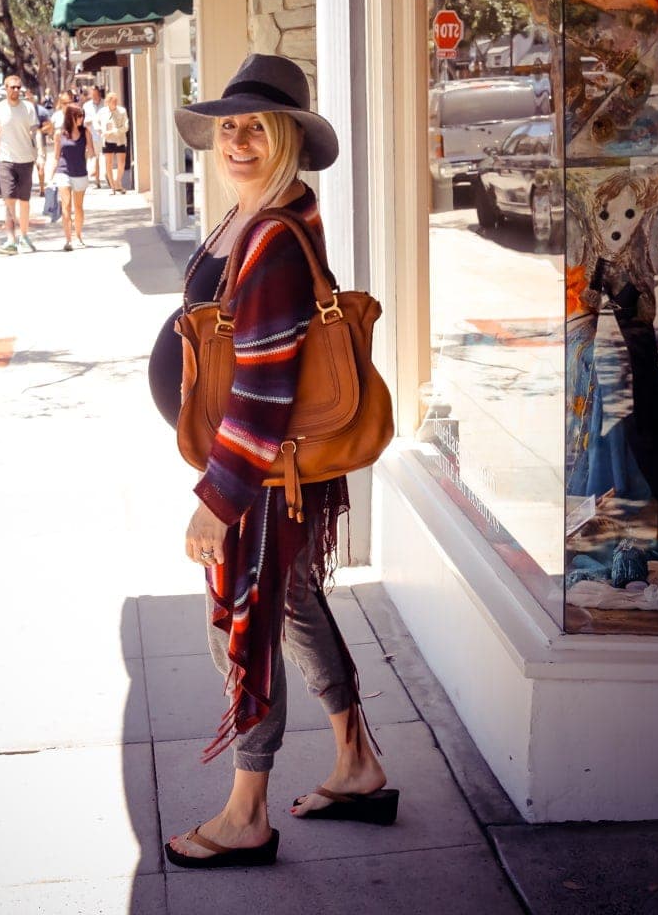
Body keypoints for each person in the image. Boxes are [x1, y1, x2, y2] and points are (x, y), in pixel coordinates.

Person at [152, 54, 396, 871]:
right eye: (229, 127)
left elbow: (262, 387)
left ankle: (246, 813)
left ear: (289, 137)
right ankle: (357, 764)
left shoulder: (274, 237)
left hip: (257, 475)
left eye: (258, 126)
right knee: (290, 603)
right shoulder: (254, 214)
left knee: (248, 626)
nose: (240, 140)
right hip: (267, 471)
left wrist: (216, 502)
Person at [0, 75, 38, 255]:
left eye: (18, 87)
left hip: (26, 160)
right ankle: (11, 240)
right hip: (5, 161)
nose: (15, 90)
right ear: (5, 88)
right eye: (12, 87)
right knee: (9, 201)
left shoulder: (28, 108)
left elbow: (35, 133)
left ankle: (24, 236)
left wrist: (41, 156)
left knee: (24, 202)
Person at [51, 102, 95, 251]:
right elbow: (56, 156)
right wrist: (51, 175)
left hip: (80, 172)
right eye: (79, 116)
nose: (81, 119)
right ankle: (68, 240)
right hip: (63, 172)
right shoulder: (60, 134)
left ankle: (79, 236)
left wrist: (93, 165)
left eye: (82, 116)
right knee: (66, 205)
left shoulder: (86, 132)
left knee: (78, 207)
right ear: (71, 117)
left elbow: (91, 152)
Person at [25, 88, 54, 197]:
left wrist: (40, 131)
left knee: (40, 165)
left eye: (30, 98)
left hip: (39, 140)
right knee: (27, 166)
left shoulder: (42, 111)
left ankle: (42, 189)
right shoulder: (22, 111)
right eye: (27, 98)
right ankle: (27, 189)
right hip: (26, 141)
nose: (28, 100)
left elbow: (50, 126)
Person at [99, 92, 129, 193]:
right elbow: (96, 123)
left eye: (116, 101)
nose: (115, 103)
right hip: (107, 140)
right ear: (108, 102)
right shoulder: (102, 112)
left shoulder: (122, 111)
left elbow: (126, 126)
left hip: (119, 139)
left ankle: (118, 182)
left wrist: (113, 131)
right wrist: (101, 131)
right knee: (109, 163)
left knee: (121, 162)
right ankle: (112, 186)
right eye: (113, 101)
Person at [83, 85, 104, 187]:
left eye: (96, 94)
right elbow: (83, 121)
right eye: (93, 94)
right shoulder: (86, 106)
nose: (94, 96)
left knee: (103, 158)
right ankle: (97, 181)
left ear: (99, 93)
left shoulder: (105, 104)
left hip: (104, 135)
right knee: (94, 158)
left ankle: (106, 177)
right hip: (91, 135)